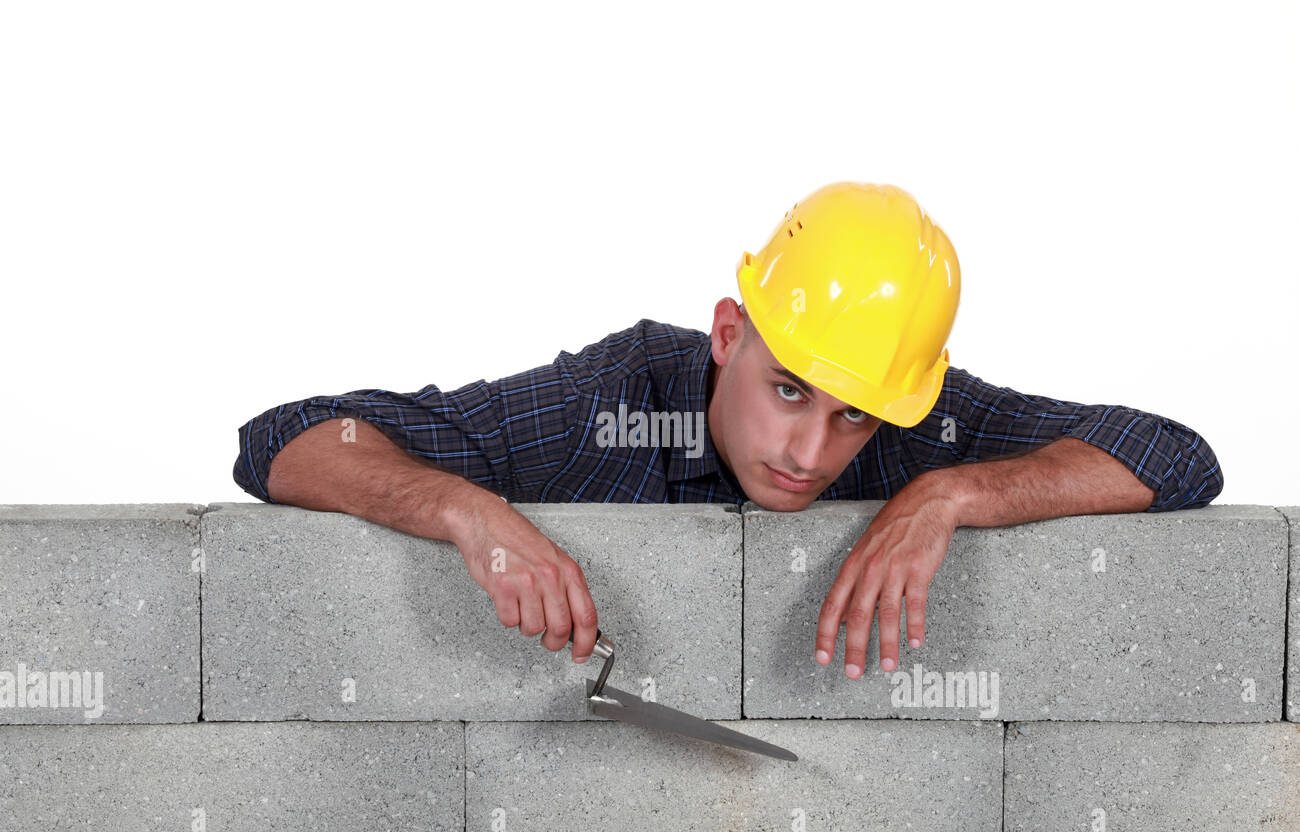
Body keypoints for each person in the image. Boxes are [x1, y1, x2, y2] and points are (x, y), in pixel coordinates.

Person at [232, 182, 1223, 680]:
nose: (808, 452)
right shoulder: (611, 404)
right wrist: (463, 508)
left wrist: (952, 492)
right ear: (729, 330)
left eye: (851, 417)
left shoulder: (918, 426)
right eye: (788, 391)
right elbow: (286, 439)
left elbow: (1178, 456)